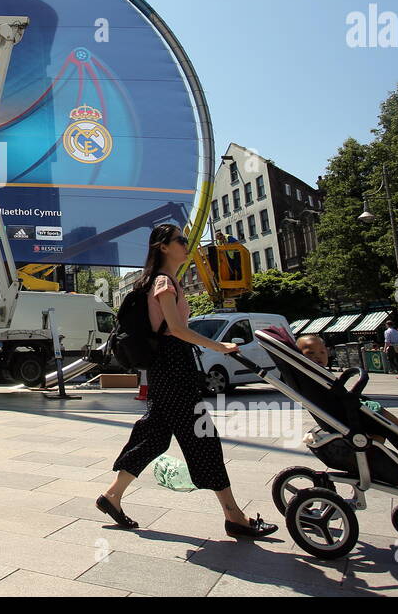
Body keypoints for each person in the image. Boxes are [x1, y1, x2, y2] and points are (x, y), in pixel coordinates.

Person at [99, 223, 279, 539]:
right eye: (181, 241)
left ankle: (111, 497)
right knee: (202, 436)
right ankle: (234, 516)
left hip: (166, 367)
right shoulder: (164, 282)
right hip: (172, 364)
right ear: (163, 247)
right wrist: (219, 346)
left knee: (154, 435)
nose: (186, 245)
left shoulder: (164, 281)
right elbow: (177, 330)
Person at [296, 335, 398, 440]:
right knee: (374, 408)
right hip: (345, 413)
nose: (318, 356)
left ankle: (375, 453)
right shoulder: (313, 375)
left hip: (339, 410)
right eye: (311, 353)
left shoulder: (314, 375)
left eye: (322, 352)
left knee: (376, 422)